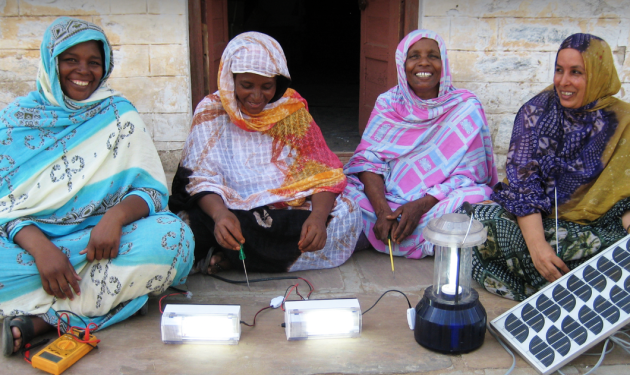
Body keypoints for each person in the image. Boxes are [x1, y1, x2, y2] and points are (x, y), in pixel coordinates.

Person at [0, 17, 194, 356]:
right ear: (51, 61)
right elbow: (4, 205)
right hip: (29, 249)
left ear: (105, 66)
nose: (83, 71)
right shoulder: (15, 119)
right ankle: (110, 301)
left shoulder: (119, 114)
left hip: (99, 245)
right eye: (70, 60)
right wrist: (42, 251)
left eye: (94, 62)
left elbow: (151, 191)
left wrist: (114, 218)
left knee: (174, 238)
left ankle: (45, 319)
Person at [169, 32, 362, 274]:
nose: (257, 96)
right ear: (231, 80)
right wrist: (219, 215)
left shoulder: (290, 110)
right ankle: (243, 256)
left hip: (283, 208)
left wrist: (318, 218)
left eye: (267, 86)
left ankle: (235, 259)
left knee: (348, 212)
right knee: (186, 224)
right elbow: (197, 179)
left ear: (278, 82)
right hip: (231, 208)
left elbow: (322, 174)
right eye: (246, 86)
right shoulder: (212, 110)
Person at [467, 33, 630, 301]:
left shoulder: (622, 121)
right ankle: (587, 290)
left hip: (597, 230)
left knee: (616, 251)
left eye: (576, 72)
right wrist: (538, 247)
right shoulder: (536, 112)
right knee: (481, 224)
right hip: (537, 225)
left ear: (599, 74)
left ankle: (568, 286)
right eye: (559, 70)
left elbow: (625, 199)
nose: (563, 82)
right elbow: (523, 187)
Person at [344, 29, 497, 259]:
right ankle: (401, 231)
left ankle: (394, 234)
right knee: (343, 189)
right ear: (402, 64)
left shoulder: (466, 107)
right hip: (387, 199)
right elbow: (368, 162)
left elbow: (471, 175)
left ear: (443, 62)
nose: (424, 63)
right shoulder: (388, 104)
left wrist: (420, 206)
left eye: (433, 56)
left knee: (479, 195)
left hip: (436, 202)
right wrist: (383, 211)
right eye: (414, 56)